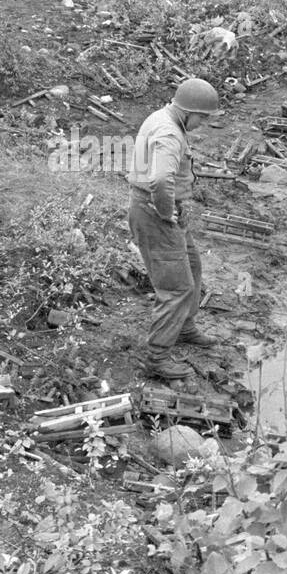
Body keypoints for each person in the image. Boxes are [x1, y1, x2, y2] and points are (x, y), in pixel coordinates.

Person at [126, 77, 220, 380]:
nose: (203, 123)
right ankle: (157, 358)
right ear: (187, 111)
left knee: (192, 265)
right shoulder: (168, 132)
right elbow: (159, 181)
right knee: (176, 287)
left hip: (165, 210)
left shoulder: (165, 118)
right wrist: (167, 214)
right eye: (202, 117)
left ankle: (184, 328)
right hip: (155, 212)